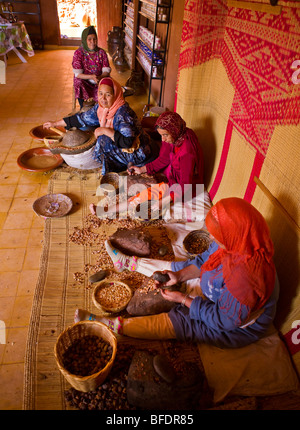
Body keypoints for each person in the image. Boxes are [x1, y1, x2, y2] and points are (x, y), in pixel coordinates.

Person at [75, 197, 279, 349]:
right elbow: (202, 261)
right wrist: (179, 277)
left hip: (234, 327)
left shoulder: (246, 279)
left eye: (217, 236)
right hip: (220, 296)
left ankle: (110, 325)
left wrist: (184, 299)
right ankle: (126, 262)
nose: (213, 239)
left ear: (233, 235)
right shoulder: (238, 242)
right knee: (174, 270)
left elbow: (222, 320)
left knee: (183, 322)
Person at [90, 111, 209, 221]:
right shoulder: (176, 135)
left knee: (143, 196)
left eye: (165, 135)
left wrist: (165, 200)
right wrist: (141, 169)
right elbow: (163, 159)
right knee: (141, 186)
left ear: (173, 130)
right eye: (161, 135)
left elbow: (185, 186)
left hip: (186, 189)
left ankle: (104, 210)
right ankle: (105, 210)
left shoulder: (186, 153)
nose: (163, 139)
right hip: (175, 178)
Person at [43, 77, 154, 174]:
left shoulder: (123, 113)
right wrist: (55, 123)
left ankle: (124, 166)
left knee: (103, 141)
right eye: (100, 93)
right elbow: (81, 118)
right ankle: (118, 162)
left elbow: (127, 142)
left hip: (138, 151)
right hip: (125, 146)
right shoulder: (101, 108)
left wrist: (104, 130)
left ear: (116, 94)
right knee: (98, 136)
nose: (103, 98)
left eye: (108, 95)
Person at [72, 25, 111, 109]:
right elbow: (78, 74)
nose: (92, 41)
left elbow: (106, 70)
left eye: (94, 39)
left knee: (109, 81)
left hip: (99, 79)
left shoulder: (101, 52)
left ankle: (103, 107)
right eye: (89, 39)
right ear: (84, 40)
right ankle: (84, 107)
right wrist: (91, 77)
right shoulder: (78, 53)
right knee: (78, 82)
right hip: (85, 80)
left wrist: (100, 77)